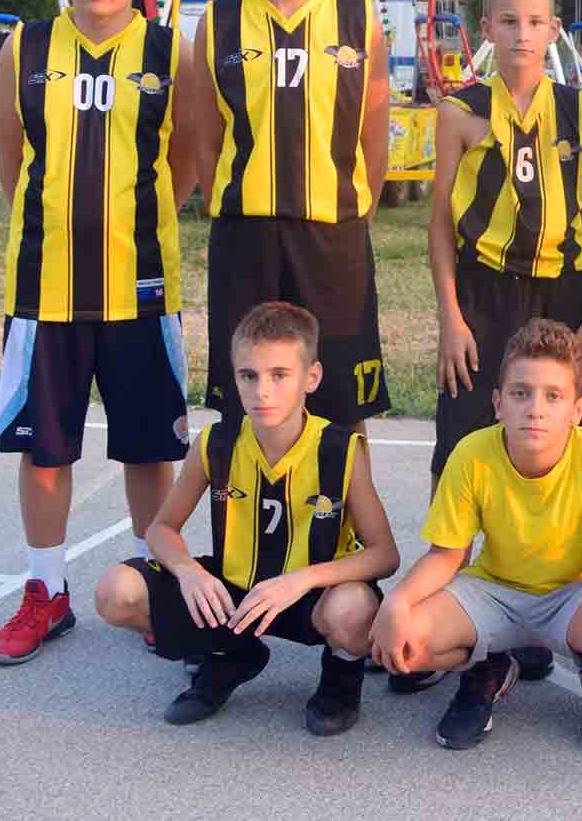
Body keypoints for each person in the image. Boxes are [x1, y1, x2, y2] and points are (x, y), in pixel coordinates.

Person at [0, 0, 194, 666]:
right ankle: (47, 592)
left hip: (141, 288)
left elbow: (188, 158)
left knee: (148, 449)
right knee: (44, 452)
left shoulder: (170, 52)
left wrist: (134, 226)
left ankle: (147, 590)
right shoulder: (27, 47)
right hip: (44, 289)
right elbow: (13, 165)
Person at [421, 0, 582, 691]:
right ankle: (459, 613)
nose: (522, 34)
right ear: (487, 30)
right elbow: (440, 223)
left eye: (535, 21)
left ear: (554, 29)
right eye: (508, 21)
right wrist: (451, 316)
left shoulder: (577, 109)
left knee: (570, 447)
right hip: (485, 294)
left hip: (562, 292)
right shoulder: (460, 111)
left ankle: (565, 614)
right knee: (463, 444)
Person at [92, 303, 397, 735]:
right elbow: (161, 528)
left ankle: (341, 676)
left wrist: (303, 579)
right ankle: (232, 654)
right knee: (115, 592)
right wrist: (188, 572)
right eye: (248, 376)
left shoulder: (339, 449)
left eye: (279, 375)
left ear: (311, 377)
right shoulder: (216, 443)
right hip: (236, 592)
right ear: (233, 377)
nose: (262, 392)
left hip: (308, 596)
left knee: (354, 608)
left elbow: (385, 555)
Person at [369, 320, 582, 755]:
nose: (535, 409)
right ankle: (489, 665)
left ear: (577, 409)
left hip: (572, 595)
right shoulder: (471, 453)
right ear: (498, 403)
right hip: (495, 591)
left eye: (553, 396)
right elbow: (447, 555)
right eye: (521, 393)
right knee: (404, 643)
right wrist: (398, 602)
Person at [180, 0, 394, 432]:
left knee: (340, 407)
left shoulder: (360, 20)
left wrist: (351, 212)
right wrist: (232, 205)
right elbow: (207, 140)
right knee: (249, 404)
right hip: (246, 238)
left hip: (333, 236)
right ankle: (245, 494)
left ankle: (341, 497)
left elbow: (374, 137)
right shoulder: (219, 22)